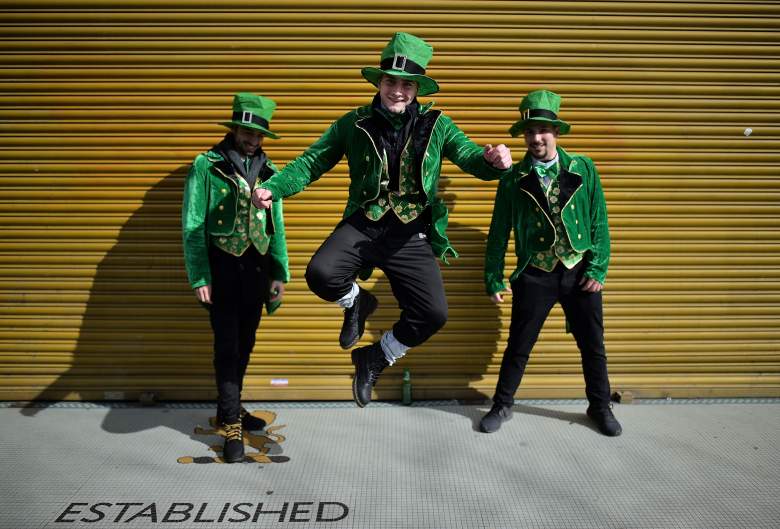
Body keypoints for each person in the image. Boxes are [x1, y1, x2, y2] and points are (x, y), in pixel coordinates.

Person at [252, 32, 512, 407]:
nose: (398, 91)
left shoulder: (438, 126)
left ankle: (378, 356)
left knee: (433, 313)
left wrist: (493, 163)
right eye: (391, 81)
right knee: (321, 274)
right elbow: (312, 162)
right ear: (380, 82)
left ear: (417, 88)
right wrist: (274, 188)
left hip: (410, 233)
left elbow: (472, 157)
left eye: (407, 84)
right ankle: (357, 302)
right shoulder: (353, 124)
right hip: (365, 223)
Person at [480, 89, 622, 436]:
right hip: (535, 272)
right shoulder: (513, 179)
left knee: (593, 345)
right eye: (529, 132)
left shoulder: (583, 168)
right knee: (519, 345)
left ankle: (599, 407)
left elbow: (598, 221)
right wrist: (493, 277)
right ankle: (502, 404)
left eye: (543, 130)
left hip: (579, 271)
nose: (536, 138)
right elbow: (499, 231)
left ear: (556, 132)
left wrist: (598, 267)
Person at [181, 93, 290, 462]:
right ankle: (230, 422)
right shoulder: (206, 165)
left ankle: (233, 406)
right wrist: (199, 276)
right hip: (223, 267)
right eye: (247, 131)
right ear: (234, 129)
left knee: (245, 342)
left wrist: (280, 273)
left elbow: (277, 226)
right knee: (226, 345)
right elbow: (193, 225)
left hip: (257, 269)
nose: (253, 139)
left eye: (259, 134)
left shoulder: (271, 170)